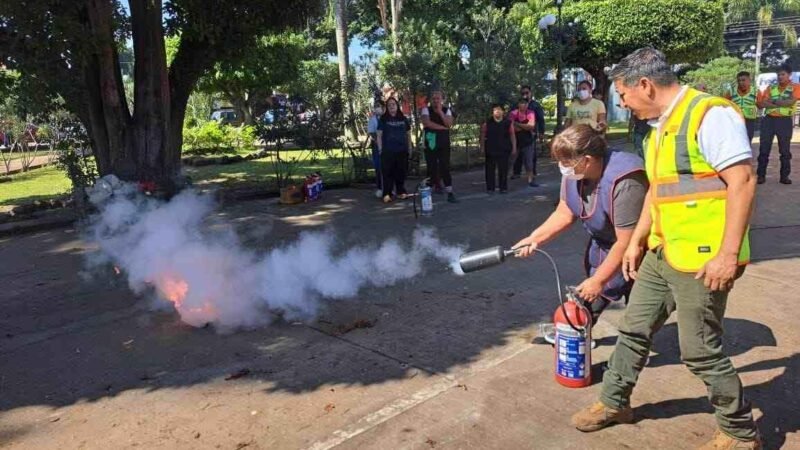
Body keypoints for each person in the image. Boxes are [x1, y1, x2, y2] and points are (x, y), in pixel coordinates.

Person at [570, 47, 760, 449]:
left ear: (645, 85)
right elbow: (659, 192)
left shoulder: (710, 115)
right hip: (663, 251)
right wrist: (638, 240)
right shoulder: (660, 129)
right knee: (633, 329)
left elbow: (743, 181)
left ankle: (740, 432)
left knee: (700, 351)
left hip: (702, 260)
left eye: (624, 94)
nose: (623, 103)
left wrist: (727, 255)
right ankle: (615, 402)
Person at [513, 124, 647, 335]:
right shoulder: (575, 174)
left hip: (636, 254)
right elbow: (564, 212)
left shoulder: (625, 180)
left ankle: (630, 348)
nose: (562, 168)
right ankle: (577, 337)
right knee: (583, 307)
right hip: (604, 249)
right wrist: (535, 238)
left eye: (566, 163)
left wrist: (598, 280)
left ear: (587, 160)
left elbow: (626, 241)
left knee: (638, 321)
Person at [756, 63, 799, 185]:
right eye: (778, 75)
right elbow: (762, 104)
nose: (780, 77)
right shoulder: (771, 87)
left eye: (783, 74)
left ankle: (784, 176)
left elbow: (790, 102)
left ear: (789, 75)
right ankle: (761, 176)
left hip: (784, 122)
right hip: (768, 121)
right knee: (764, 150)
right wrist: (781, 102)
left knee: (785, 151)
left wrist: (773, 101)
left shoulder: (795, 87)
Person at [421, 89, 458, 203]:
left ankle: (449, 192)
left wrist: (440, 112)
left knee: (445, 166)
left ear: (442, 99)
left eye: (438, 98)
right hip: (431, 139)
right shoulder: (426, 110)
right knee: (431, 165)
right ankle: (429, 192)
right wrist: (442, 128)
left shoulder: (446, 110)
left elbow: (449, 123)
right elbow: (427, 123)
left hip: (443, 141)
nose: (435, 100)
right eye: (433, 98)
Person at [376, 97, 412, 203]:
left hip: (401, 150)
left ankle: (401, 191)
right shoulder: (383, 119)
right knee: (388, 173)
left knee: (401, 172)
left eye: (393, 104)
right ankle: (387, 194)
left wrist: (409, 147)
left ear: (397, 106)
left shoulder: (403, 119)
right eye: (389, 105)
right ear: (387, 107)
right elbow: (379, 135)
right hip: (388, 151)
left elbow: (408, 134)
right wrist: (380, 149)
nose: (391, 106)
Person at [481, 103, 517, 194]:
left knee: (503, 169)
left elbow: (512, 135)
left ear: (503, 112)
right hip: (490, 149)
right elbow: (483, 136)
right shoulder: (487, 123)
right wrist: (482, 148)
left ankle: (503, 188)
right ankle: (490, 188)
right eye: (495, 110)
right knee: (490, 170)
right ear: (492, 112)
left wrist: (514, 147)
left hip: (504, 149)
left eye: (499, 109)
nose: (497, 111)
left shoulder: (508, 123)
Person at [514, 85, 546, 179]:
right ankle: (516, 172)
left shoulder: (535, 105)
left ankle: (533, 173)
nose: (525, 95)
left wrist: (541, 133)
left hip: (531, 133)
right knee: (518, 153)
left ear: (530, 93)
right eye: (522, 93)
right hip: (518, 133)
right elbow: (511, 118)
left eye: (526, 93)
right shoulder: (516, 105)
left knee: (531, 154)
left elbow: (541, 119)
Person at [510, 98, 539, 187]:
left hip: (528, 141)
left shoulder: (530, 113)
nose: (524, 105)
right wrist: (525, 127)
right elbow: (512, 128)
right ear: (518, 104)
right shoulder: (513, 113)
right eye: (522, 103)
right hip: (515, 141)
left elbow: (531, 126)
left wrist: (517, 124)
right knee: (510, 160)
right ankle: (503, 179)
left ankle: (531, 180)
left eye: (526, 104)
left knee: (529, 162)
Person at [725, 71, 758, 143]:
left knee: (747, 140)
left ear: (749, 80)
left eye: (743, 80)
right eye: (739, 80)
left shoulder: (756, 91)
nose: (741, 82)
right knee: (735, 141)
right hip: (735, 120)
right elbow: (724, 104)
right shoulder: (731, 91)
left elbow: (761, 104)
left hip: (749, 121)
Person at [367, 100, 385, 198]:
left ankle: (389, 188)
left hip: (387, 146)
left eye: (379, 106)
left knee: (388, 167)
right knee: (379, 167)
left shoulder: (386, 118)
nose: (377, 108)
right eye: (376, 106)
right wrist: (378, 141)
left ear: (383, 107)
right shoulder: (373, 119)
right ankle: (380, 188)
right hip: (377, 146)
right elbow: (371, 133)